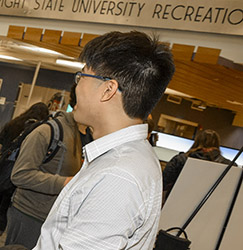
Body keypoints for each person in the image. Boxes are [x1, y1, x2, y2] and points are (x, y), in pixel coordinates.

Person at [35, 31, 176, 249]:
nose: (77, 87)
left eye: (81, 77)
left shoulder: (117, 176)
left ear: (108, 89)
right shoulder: (127, 157)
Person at [4, 107, 81, 248]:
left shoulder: (83, 135)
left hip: (54, 217)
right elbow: (20, 175)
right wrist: (64, 182)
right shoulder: (46, 132)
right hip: (30, 213)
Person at [0, 102, 49, 248]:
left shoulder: (12, 124)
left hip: (1, 169)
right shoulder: (38, 131)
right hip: (17, 172)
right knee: (4, 208)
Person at [163, 129, 234, 199]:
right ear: (217, 144)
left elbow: (163, 182)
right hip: (210, 207)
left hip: (175, 202)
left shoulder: (180, 160)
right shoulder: (229, 166)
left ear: (197, 142)